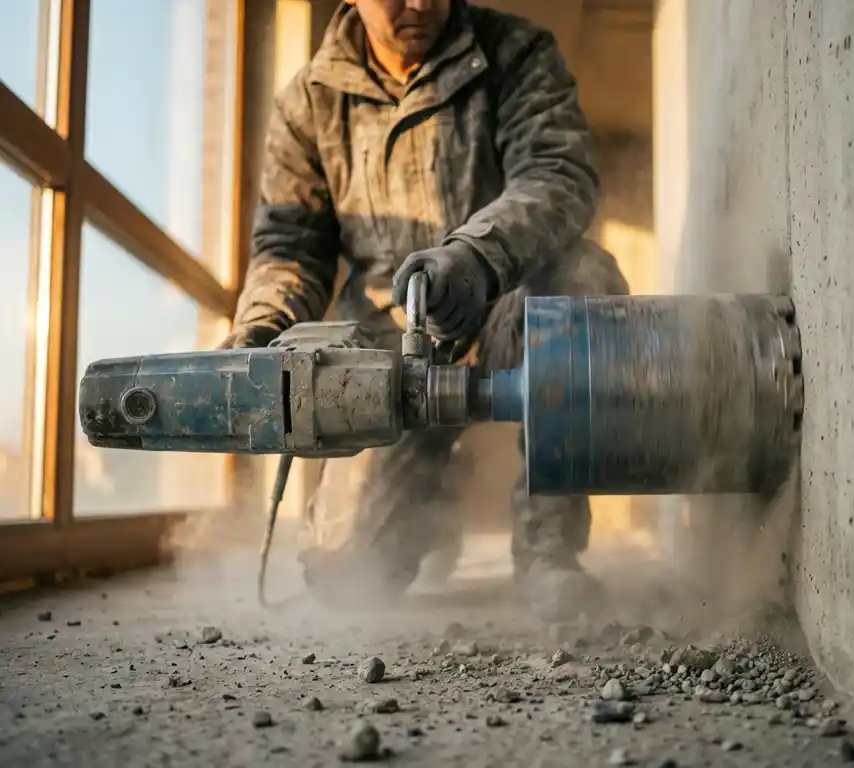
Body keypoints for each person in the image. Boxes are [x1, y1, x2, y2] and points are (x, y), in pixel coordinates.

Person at [219, 0, 628, 622]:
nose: (423, 3)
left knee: (583, 282)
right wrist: (261, 327)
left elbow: (557, 174)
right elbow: (290, 246)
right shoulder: (309, 103)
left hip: (502, 299)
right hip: (384, 351)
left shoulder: (515, 52)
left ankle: (550, 550)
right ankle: (430, 498)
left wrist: (477, 256)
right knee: (344, 579)